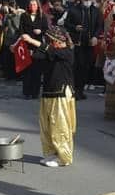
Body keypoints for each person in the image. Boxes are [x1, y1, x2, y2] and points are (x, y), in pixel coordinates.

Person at [21, 25, 77, 168]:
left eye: (51, 40)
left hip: (61, 93)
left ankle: (63, 157)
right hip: (48, 91)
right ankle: (52, 153)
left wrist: (33, 41)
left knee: (60, 126)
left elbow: (48, 49)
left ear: (58, 40)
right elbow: (38, 55)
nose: (50, 43)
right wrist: (21, 49)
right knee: (46, 125)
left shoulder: (67, 52)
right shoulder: (53, 52)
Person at [64, 0, 102, 100]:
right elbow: (66, 23)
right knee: (77, 67)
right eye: (85, 0)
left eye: (89, 0)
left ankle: (80, 90)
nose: (87, 2)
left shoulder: (95, 11)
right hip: (78, 42)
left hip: (89, 43)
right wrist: (74, 27)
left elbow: (99, 26)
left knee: (86, 67)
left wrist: (95, 36)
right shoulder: (73, 10)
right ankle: (74, 90)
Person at [20, 0, 50, 100]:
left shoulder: (42, 16)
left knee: (36, 71)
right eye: (31, 5)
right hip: (27, 45)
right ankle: (27, 92)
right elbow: (21, 30)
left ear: (38, 6)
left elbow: (46, 30)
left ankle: (35, 92)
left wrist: (40, 31)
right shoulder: (24, 16)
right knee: (27, 70)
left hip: (38, 45)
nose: (32, 7)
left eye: (34, 5)